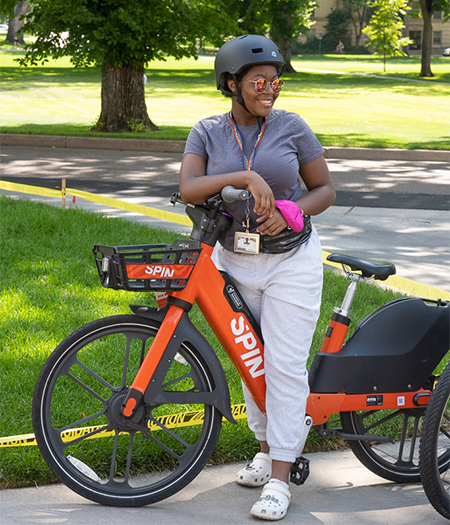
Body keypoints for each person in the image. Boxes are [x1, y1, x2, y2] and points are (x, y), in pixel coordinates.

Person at [179, 34, 335, 521]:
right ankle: (267, 449)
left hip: (291, 262)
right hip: (235, 260)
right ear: (231, 83)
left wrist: (293, 211)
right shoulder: (207, 131)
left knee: (285, 366)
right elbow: (188, 188)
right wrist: (244, 179)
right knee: (251, 359)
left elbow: (325, 189)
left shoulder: (292, 127)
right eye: (259, 81)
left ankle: (282, 477)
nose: (270, 89)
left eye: (275, 81)